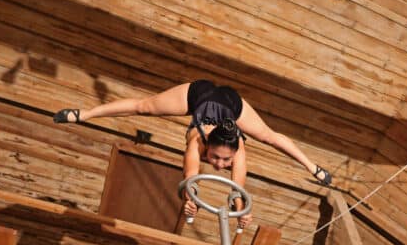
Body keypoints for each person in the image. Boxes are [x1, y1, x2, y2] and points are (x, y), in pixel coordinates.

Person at [54, 80, 333, 224]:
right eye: (215, 158)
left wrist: (242, 210)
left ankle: (312, 167)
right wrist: (191, 201)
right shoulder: (196, 142)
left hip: (232, 104)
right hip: (197, 94)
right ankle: (84, 114)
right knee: (144, 106)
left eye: (226, 159)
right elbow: (191, 176)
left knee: (269, 137)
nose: (221, 165)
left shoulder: (239, 147)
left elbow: (237, 187)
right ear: (206, 147)